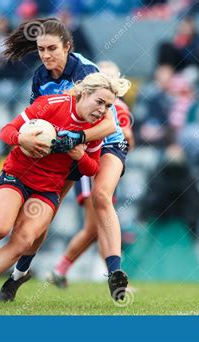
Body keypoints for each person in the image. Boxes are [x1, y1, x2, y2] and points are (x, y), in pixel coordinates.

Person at [0, 72, 131, 306]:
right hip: (17, 176)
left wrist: (79, 155)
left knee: (24, 242)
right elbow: (6, 131)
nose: (102, 110)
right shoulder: (50, 105)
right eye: (99, 102)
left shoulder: (96, 128)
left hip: (48, 190)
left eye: (107, 106)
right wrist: (21, 139)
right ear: (84, 93)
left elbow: (91, 168)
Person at [0, 18, 130, 302]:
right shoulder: (40, 77)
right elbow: (36, 119)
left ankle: (115, 273)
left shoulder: (85, 71)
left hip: (105, 141)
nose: (45, 55)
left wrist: (78, 140)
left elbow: (108, 124)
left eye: (52, 49)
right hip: (66, 149)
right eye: (41, 49)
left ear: (67, 47)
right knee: (44, 212)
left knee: (102, 196)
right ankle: (19, 275)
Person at [48, 60, 135, 288]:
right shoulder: (84, 102)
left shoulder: (117, 109)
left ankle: (72, 271)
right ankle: (110, 271)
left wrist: (122, 135)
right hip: (89, 160)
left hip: (105, 160)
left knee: (96, 224)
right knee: (95, 224)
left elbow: (127, 141)